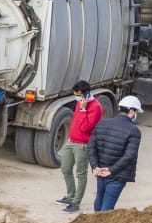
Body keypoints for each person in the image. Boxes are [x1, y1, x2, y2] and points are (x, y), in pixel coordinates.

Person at [86, 95, 143, 212]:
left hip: (100, 172)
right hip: (117, 175)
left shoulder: (103, 123)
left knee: (99, 201)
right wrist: (111, 170)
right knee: (107, 208)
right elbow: (129, 156)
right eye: (136, 111)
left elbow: (91, 146)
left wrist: (95, 166)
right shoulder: (134, 130)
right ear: (132, 111)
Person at [57, 80, 103, 213]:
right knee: (65, 168)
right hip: (71, 141)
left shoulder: (95, 107)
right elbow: (76, 121)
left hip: (82, 145)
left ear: (86, 94)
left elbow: (85, 128)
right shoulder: (79, 103)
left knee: (81, 174)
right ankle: (70, 196)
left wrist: (83, 109)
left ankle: (76, 203)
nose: (76, 98)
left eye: (78, 95)